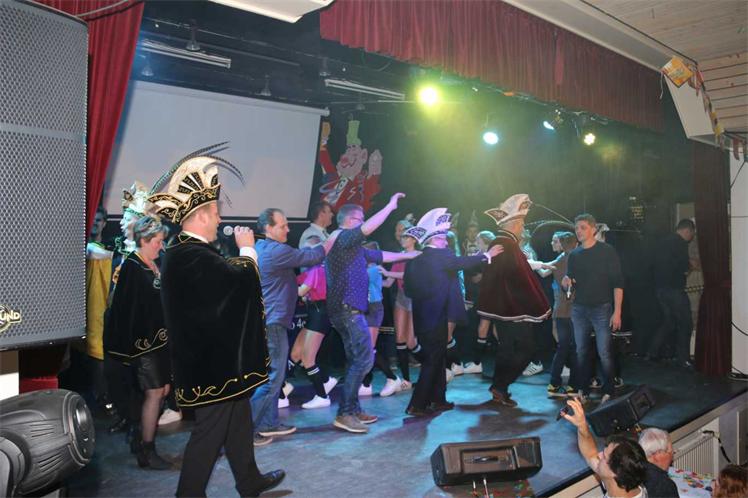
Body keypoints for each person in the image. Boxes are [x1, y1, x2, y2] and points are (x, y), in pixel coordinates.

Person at [150, 145, 284, 497]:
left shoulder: (186, 252)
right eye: (216, 213)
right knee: (209, 433)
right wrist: (247, 249)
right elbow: (235, 284)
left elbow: (220, 289)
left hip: (215, 363)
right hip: (210, 367)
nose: (220, 220)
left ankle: (249, 481)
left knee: (238, 419)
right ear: (200, 216)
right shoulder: (190, 255)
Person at [325, 194, 420, 434]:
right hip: (347, 309)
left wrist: (410, 255)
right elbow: (368, 228)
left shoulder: (353, 247)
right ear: (350, 221)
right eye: (360, 219)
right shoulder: (342, 238)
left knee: (357, 359)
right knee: (364, 358)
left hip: (348, 309)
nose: (363, 223)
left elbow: (382, 256)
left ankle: (352, 409)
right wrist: (390, 206)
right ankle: (345, 413)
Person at [403, 209, 503, 416]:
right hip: (436, 318)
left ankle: (438, 399)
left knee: (438, 359)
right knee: (433, 361)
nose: (446, 241)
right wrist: (486, 255)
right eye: (442, 238)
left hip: (423, 317)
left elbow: (409, 289)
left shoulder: (416, 259)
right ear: (434, 239)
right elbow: (461, 263)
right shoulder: (440, 255)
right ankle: (417, 404)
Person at [250, 207, 329, 445]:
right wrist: (331, 241)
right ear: (268, 228)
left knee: (274, 376)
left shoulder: (262, 248)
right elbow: (312, 257)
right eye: (282, 225)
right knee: (274, 377)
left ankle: (269, 424)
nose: (288, 229)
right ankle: (248, 430)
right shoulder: (276, 250)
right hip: (273, 322)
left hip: (270, 320)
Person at [104, 216, 171, 470]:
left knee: (162, 391)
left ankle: (140, 437)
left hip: (159, 342)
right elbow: (124, 310)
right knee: (155, 392)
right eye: (157, 241)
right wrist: (129, 351)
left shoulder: (155, 264)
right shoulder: (132, 266)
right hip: (144, 345)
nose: (160, 246)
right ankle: (147, 449)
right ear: (143, 240)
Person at [477, 194, 552, 408]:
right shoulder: (506, 244)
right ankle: (500, 386)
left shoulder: (506, 243)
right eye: (522, 224)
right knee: (526, 348)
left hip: (507, 308)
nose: (523, 228)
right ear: (515, 224)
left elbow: (514, 273)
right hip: (513, 309)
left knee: (508, 348)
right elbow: (517, 277)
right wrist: (529, 302)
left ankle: (499, 387)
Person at [562, 213, 624, 404]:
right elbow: (570, 283)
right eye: (576, 228)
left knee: (604, 351)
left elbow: (618, 283)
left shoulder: (607, 251)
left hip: (602, 308)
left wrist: (617, 312)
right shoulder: (574, 255)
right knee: (581, 351)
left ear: (593, 229)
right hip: (579, 308)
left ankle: (609, 389)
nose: (578, 231)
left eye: (583, 227)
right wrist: (566, 283)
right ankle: (583, 389)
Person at [563, 397, 649, 498]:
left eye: (604, 456)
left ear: (614, 473)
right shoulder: (623, 482)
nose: (599, 455)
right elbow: (590, 454)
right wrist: (582, 426)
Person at [290, 236, 338, 409]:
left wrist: (280, 288)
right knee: (296, 353)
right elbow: (296, 281)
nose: (303, 254)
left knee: (308, 358)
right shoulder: (315, 269)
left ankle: (322, 396)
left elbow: (301, 291)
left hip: (320, 314)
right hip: (315, 314)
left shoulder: (317, 269)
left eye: (306, 251)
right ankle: (325, 381)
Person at [648, 219, 696, 368]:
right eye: (692, 234)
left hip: (660, 288)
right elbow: (683, 268)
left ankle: (652, 352)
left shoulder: (662, 242)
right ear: (687, 231)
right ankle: (684, 359)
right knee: (686, 323)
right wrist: (691, 266)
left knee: (669, 322)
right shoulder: (681, 244)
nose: (692, 237)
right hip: (674, 289)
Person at [379, 223, 420, 388]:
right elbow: (388, 283)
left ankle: (435, 368)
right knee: (400, 340)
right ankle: (406, 380)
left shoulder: (419, 255)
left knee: (411, 342)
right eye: (401, 236)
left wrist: (387, 272)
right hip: (402, 298)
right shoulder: (400, 256)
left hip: (415, 298)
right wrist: (370, 278)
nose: (402, 239)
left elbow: (410, 275)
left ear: (414, 239)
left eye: (406, 236)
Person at [359, 241, 402, 397]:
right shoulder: (370, 269)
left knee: (369, 349)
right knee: (366, 349)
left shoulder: (373, 269)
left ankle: (392, 378)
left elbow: (359, 281)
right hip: (366, 308)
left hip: (373, 309)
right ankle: (366, 383)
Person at [545, 231, 581, 398]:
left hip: (561, 309)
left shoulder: (559, 260)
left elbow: (544, 271)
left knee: (563, 347)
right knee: (575, 348)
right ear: (576, 244)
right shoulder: (577, 260)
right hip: (574, 310)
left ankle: (554, 384)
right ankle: (573, 386)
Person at [463, 230, 496, 374]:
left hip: (491, 296)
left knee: (487, 328)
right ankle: (478, 362)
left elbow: (478, 278)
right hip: (486, 296)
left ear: (486, 243)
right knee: (490, 329)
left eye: (478, 241)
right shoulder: (481, 257)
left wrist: (482, 274)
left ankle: (477, 362)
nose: (476, 244)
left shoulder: (491, 257)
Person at [637, 428, 679, 497]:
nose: (672, 455)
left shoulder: (635, 469)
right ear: (658, 454)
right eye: (670, 452)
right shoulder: (665, 485)